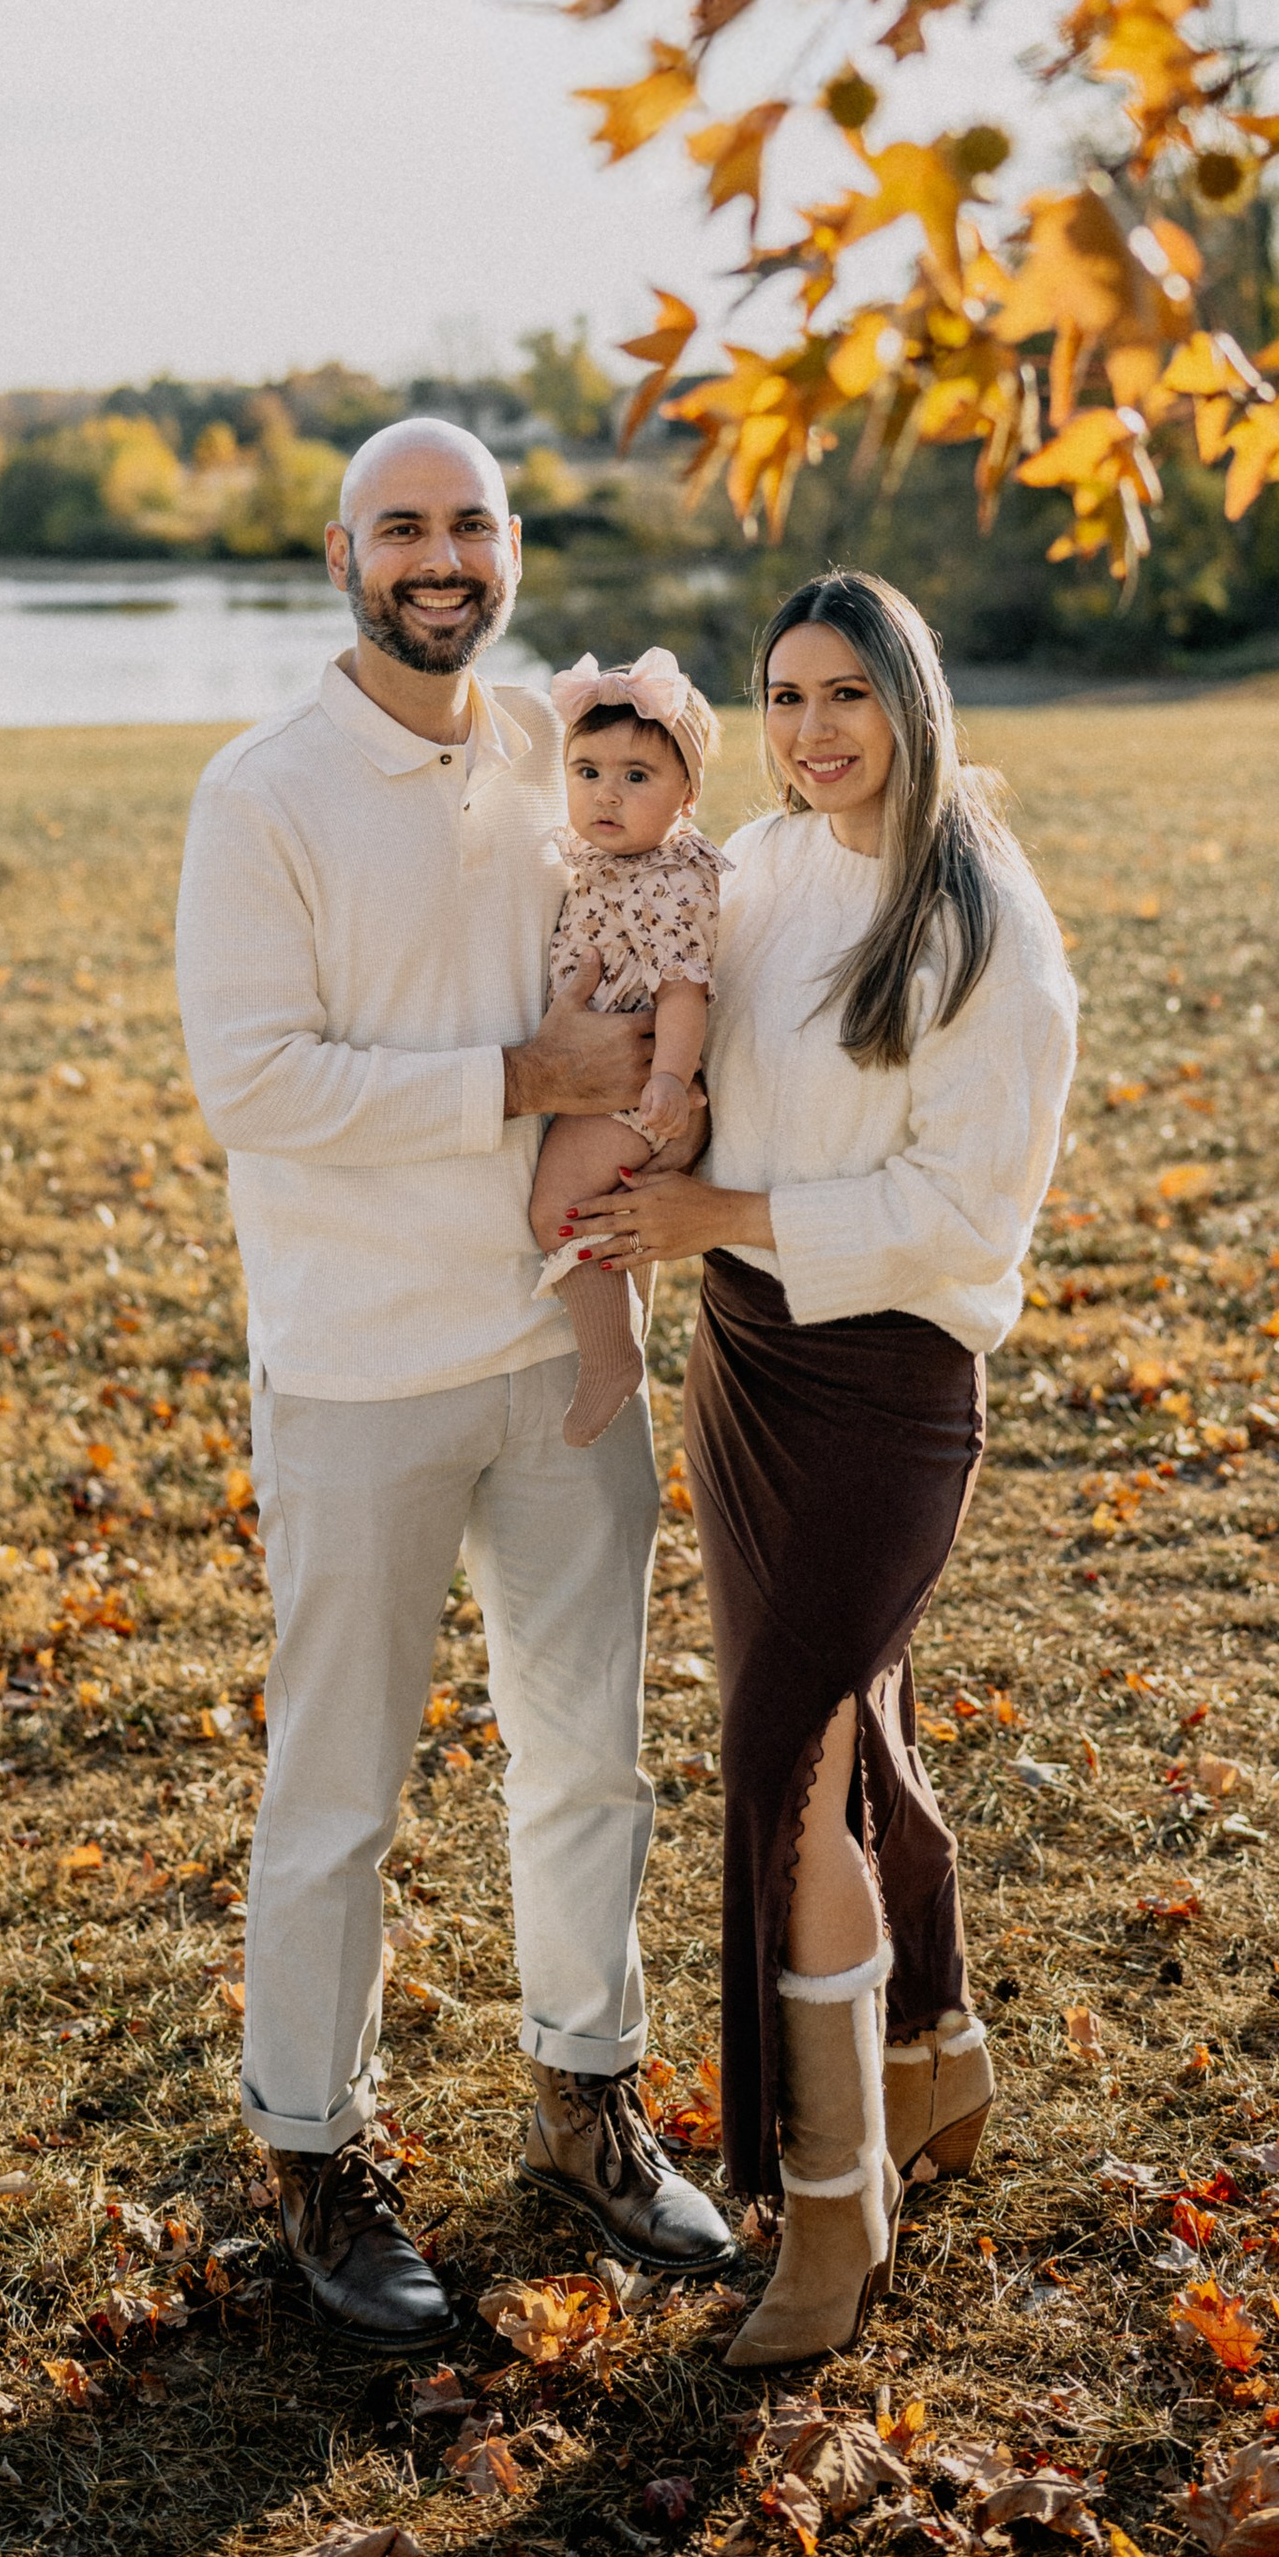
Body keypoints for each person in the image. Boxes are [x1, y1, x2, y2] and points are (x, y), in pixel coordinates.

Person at [172, 420, 736, 2350]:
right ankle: (314, 2149)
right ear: (343, 556)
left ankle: (585, 2100)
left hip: (563, 1343)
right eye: (401, 526)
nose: (441, 556)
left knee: (589, 1757)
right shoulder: (263, 793)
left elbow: (676, 926)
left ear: (507, 551)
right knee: (339, 1787)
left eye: (472, 524)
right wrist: (520, 1081)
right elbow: (254, 1083)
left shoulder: (553, 759)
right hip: (360, 1369)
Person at [563, 568, 1077, 2368]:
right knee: (853, 1725)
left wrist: (718, 1212)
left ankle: (835, 2208)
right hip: (750, 1363)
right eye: (782, 697)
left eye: (846, 692)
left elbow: (967, 1213)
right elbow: (662, 992)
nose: (811, 730)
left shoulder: (984, 924)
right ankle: (934, 2050)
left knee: (784, 1759)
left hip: (888, 1374)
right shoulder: (762, 870)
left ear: (912, 700)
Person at [528, 650, 725, 1450]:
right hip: (608, 1084)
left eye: (636, 776)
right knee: (610, 1222)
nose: (606, 794)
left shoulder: (672, 880)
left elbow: (684, 990)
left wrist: (670, 1080)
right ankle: (623, 1333)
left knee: (558, 1211)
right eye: (587, 771)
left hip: (634, 1090)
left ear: (687, 795)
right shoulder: (600, 865)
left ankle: (611, 1358)